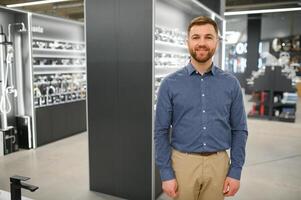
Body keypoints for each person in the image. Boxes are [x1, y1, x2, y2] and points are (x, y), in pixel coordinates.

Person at [154, 16, 248, 200]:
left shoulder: (231, 84)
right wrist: (166, 173)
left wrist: (235, 171)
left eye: (208, 37)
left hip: (218, 164)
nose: (202, 43)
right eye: (196, 37)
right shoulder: (170, 84)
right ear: (187, 41)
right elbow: (160, 131)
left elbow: (240, 129)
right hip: (182, 163)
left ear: (217, 42)